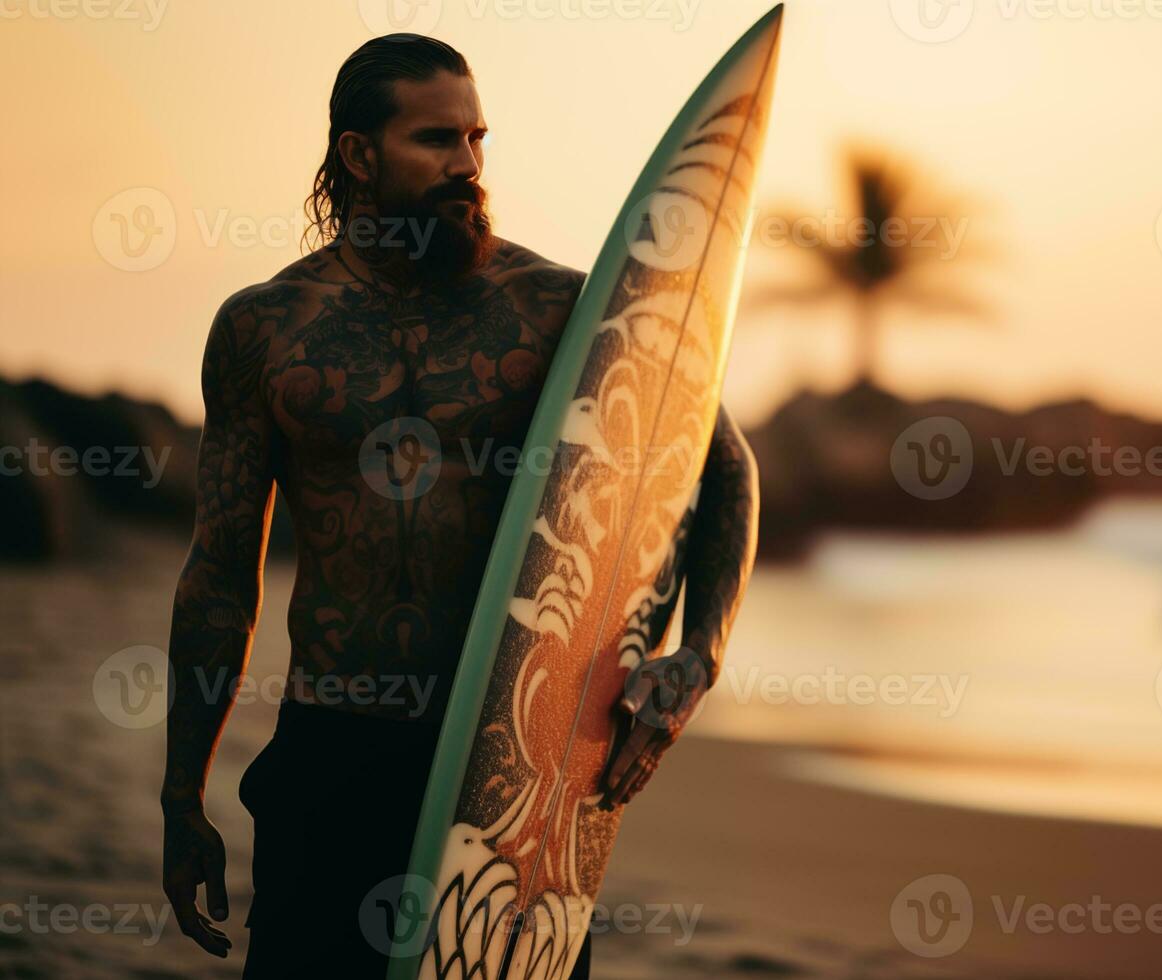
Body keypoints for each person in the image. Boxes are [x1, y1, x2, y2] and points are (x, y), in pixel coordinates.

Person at [158, 34, 758, 979]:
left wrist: (701, 652)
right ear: (359, 156)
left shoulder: (556, 310)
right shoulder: (263, 330)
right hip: (332, 754)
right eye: (438, 141)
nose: (469, 167)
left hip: (510, 766)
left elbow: (722, 467)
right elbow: (220, 574)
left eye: (477, 139)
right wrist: (180, 797)